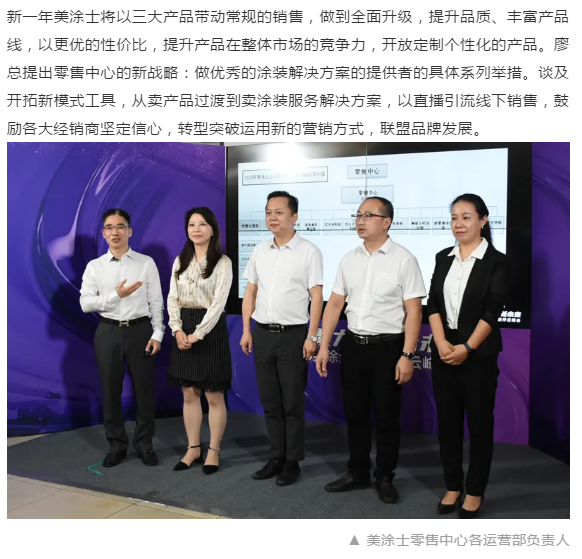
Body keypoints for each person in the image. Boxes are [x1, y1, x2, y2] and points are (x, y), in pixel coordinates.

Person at [316, 196, 426, 504]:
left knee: (387, 417)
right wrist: (324, 345)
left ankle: (385, 476)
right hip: (354, 346)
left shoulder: (404, 259)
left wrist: (407, 355)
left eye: (368, 215)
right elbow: (335, 304)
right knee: (355, 414)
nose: (361, 220)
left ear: (386, 222)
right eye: (358, 215)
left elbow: (414, 311)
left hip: (388, 348)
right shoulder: (349, 258)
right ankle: (358, 471)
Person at [427, 193, 513, 518]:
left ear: (483, 220)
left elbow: (492, 312)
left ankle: (474, 490)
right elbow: (433, 304)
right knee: (447, 425)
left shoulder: (498, 262)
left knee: (478, 426)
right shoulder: (443, 257)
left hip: (478, 357)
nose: (458, 224)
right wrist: (441, 343)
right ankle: (453, 485)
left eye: (466, 217)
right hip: (444, 353)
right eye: (454, 217)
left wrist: (467, 348)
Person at [240, 191, 323, 486]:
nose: (272, 217)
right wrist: (247, 329)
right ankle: (276, 457)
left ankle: (292, 461)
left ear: (294, 217)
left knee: (292, 403)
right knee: (270, 401)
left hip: (293, 336)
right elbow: (251, 291)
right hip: (262, 333)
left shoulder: (309, 251)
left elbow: (316, 296)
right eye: (268, 212)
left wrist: (312, 335)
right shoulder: (259, 250)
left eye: (278, 212)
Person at [80, 209, 165, 467]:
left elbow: (156, 302)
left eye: (120, 226)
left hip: (140, 331)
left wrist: (158, 333)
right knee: (110, 391)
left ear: (129, 231)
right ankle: (116, 445)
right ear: (103, 233)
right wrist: (116, 295)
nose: (115, 232)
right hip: (108, 332)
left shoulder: (145, 263)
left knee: (144, 391)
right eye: (109, 227)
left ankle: (144, 444)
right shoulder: (95, 267)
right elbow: (85, 303)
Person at [168, 207, 233, 475]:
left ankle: (213, 451)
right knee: (189, 393)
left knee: (213, 395)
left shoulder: (223, 262)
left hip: (210, 330)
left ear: (213, 229)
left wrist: (198, 334)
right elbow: (172, 298)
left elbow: (218, 304)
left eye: (202, 224)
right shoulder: (180, 261)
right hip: (183, 329)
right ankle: (193, 449)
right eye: (192, 224)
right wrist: (177, 329)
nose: (196, 229)